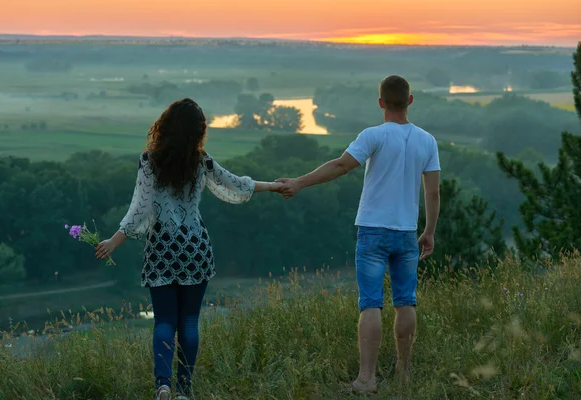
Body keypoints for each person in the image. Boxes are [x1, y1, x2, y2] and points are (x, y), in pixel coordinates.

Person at [95, 98, 282, 400]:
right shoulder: (202, 161)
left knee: (165, 320)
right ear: (198, 131)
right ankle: (184, 389)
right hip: (195, 247)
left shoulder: (148, 161)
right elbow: (236, 184)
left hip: (162, 249)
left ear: (165, 125)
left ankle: (163, 385)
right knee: (190, 321)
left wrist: (112, 242)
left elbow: (139, 211)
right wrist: (274, 185)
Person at [276, 75, 441, 393]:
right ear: (410, 101)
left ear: (380, 102)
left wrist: (298, 182)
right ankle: (404, 375)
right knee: (406, 302)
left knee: (371, 304)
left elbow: (340, 166)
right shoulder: (427, 141)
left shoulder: (373, 135)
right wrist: (429, 231)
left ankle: (367, 379)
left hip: (372, 232)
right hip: (407, 233)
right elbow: (432, 193)